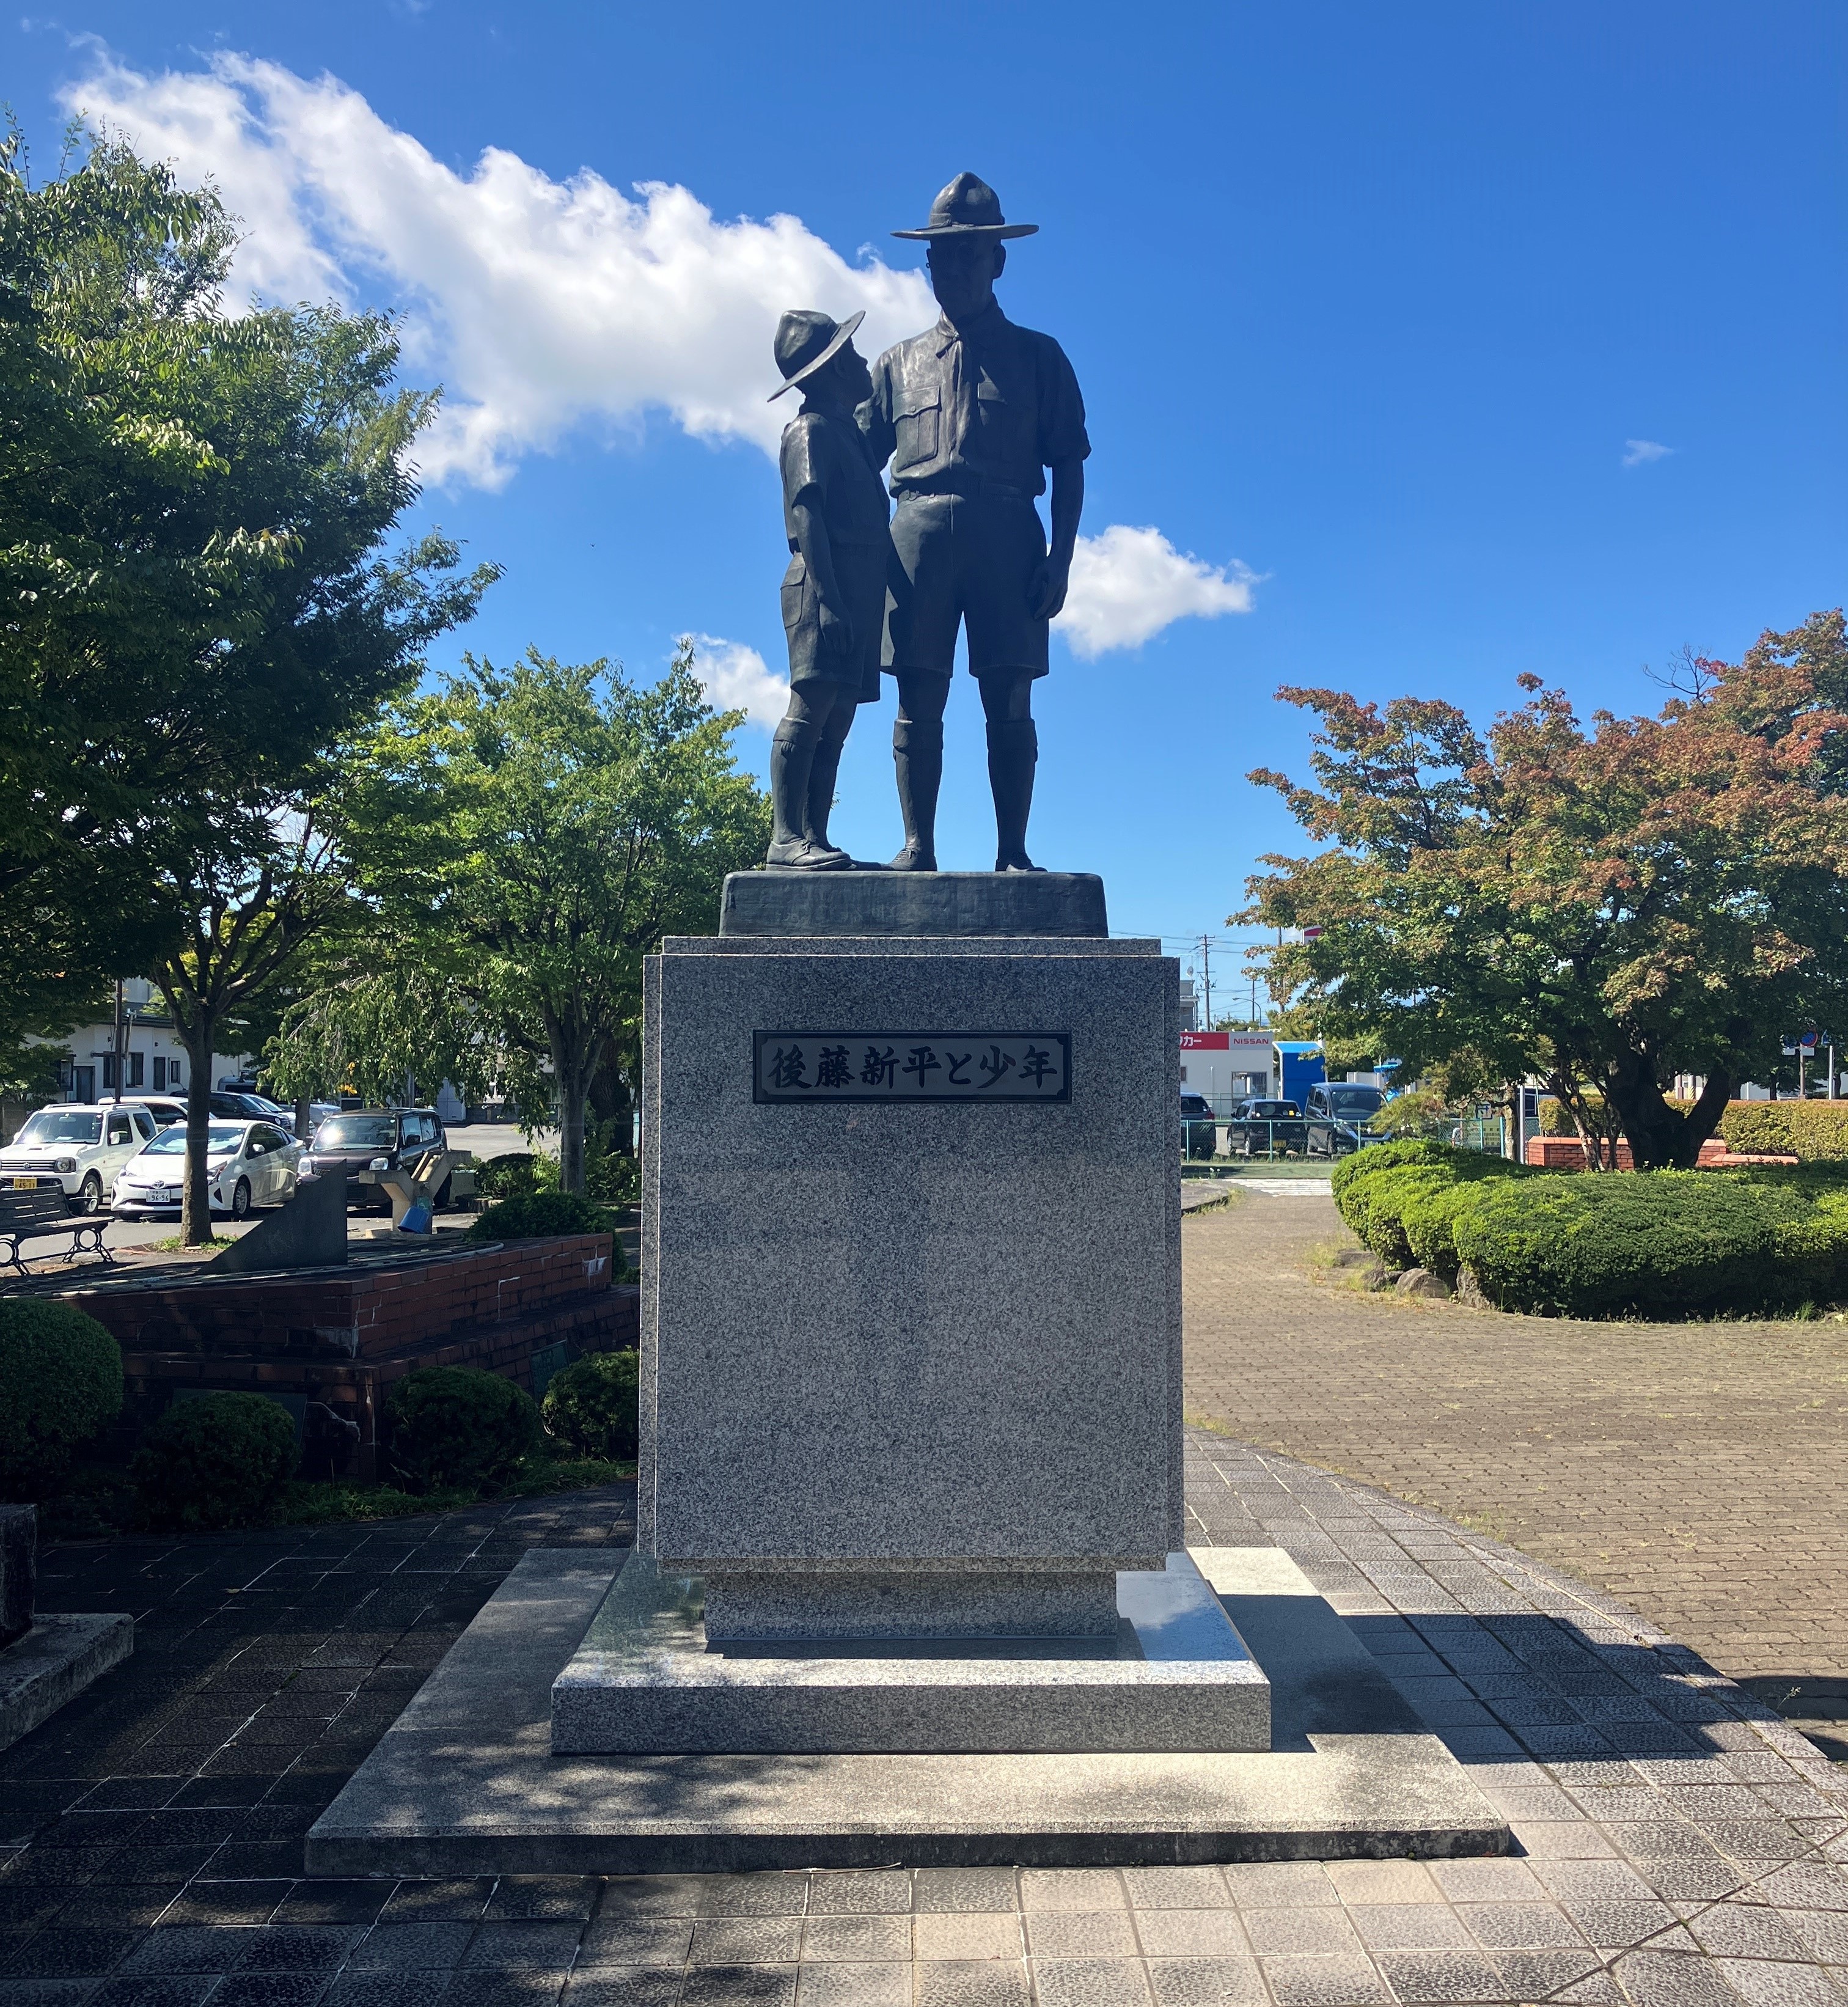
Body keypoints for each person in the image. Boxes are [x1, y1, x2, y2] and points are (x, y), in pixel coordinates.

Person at [859, 173, 1090, 873]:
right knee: (916, 691)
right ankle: (917, 846)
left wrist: (1062, 555)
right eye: (941, 258)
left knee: (1008, 693)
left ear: (999, 260)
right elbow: (853, 461)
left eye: (969, 255)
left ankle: (1012, 851)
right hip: (916, 535)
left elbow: (1070, 462)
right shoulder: (895, 363)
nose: (953, 270)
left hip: (1008, 532)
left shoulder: (1039, 356)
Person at [763, 309, 891, 868]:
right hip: (823, 587)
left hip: (857, 590)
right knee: (811, 706)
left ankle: (814, 833)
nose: (864, 362)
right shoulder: (809, 430)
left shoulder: (848, 434)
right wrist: (833, 601)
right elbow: (808, 518)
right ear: (835, 369)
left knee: (838, 715)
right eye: (853, 354)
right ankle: (785, 837)